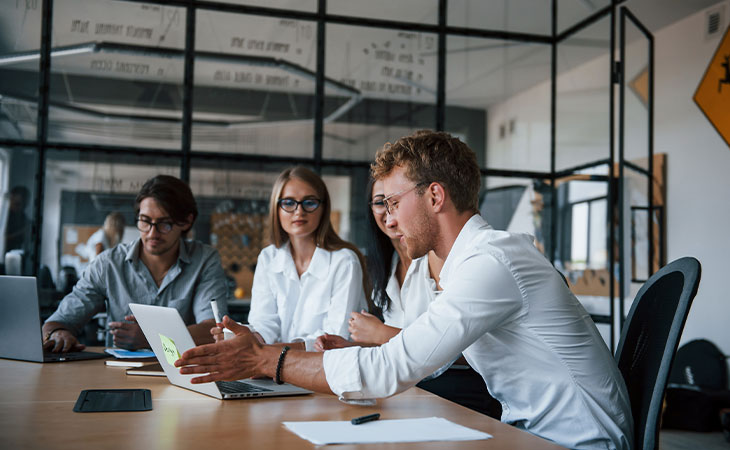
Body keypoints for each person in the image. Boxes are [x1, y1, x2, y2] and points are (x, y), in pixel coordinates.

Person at [176, 131, 633, 450]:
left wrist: (262, 359)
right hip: (529, 432)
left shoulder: (491, 261)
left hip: (573, 442)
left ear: (435, 197)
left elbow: (391, 367)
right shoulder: (466, 267)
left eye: (394, 203)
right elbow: (424, 352)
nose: (387, 219)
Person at [314, 176, 501, 418]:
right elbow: (403, 350)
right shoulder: (385, 267)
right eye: (381, 203)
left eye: (395, 202)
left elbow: (456, 347)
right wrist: (355, 346)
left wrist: (380, 334)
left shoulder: (447, 259)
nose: (390, 215)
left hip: (456, 390)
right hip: (413, 390)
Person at [43, 175, 229, 352]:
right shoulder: (108, 264)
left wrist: (153, 337)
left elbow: (214, 330)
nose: (151, 233)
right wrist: (59, 333)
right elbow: (57, 322)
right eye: (145, 221)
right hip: (118, 376)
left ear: (186, 222)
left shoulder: (205, 260)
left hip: (186, 372)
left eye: (165, 224)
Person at [228, 166, 368, 351]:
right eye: (288, 203)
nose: (299, 211)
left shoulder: (344, 261)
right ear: (276, 209)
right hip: (276, 368)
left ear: (323, 208)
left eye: (309, 203)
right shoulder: (268, 258)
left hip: (327, 370)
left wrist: (267, 351)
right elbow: (264, 323)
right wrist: (246, 337)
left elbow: (336, 337)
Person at [4, 185, 30, 252]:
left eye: (22, 204)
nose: (20, 207)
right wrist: (22, 231)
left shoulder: (23, 217)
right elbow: (2, 238)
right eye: (16, 204)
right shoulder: (4, 217)